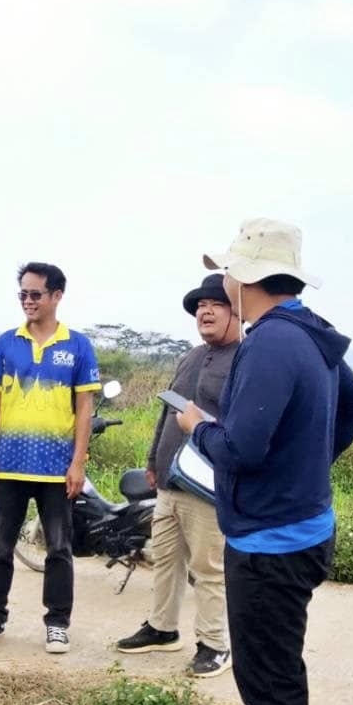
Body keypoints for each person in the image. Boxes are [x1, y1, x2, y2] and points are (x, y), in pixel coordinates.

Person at [175, 220, 353, 705]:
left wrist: (196, 426)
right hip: (298, 527)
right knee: (271, 672)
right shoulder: (310, 333)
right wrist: (306, 468)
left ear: (246, 278)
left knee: (271, 682)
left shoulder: (269, 343)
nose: (223, 281)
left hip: (269, 543)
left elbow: (240, 447)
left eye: (227, 271)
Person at [0, 262, 100, 654]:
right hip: (8, 464)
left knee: (59, 548)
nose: (28, 301)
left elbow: (85, 407)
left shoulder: (78, 345)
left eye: (35, 294)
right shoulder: (5, 342)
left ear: (57, 296)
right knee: (0, 546)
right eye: (23, 294)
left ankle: (57, 623)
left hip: (57, 468)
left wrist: (78, 462)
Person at [116, 273, 240, 677]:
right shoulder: (190, 357)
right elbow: (167, 412)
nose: (205, 311)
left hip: (207, 485)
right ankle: (162, 628)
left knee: (208, 569)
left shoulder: (245, 358)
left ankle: (214, 644)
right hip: (170, 482)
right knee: (165, 560)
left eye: (216, 304)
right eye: (200, 306)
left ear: (237, 311)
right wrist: (154, 460)